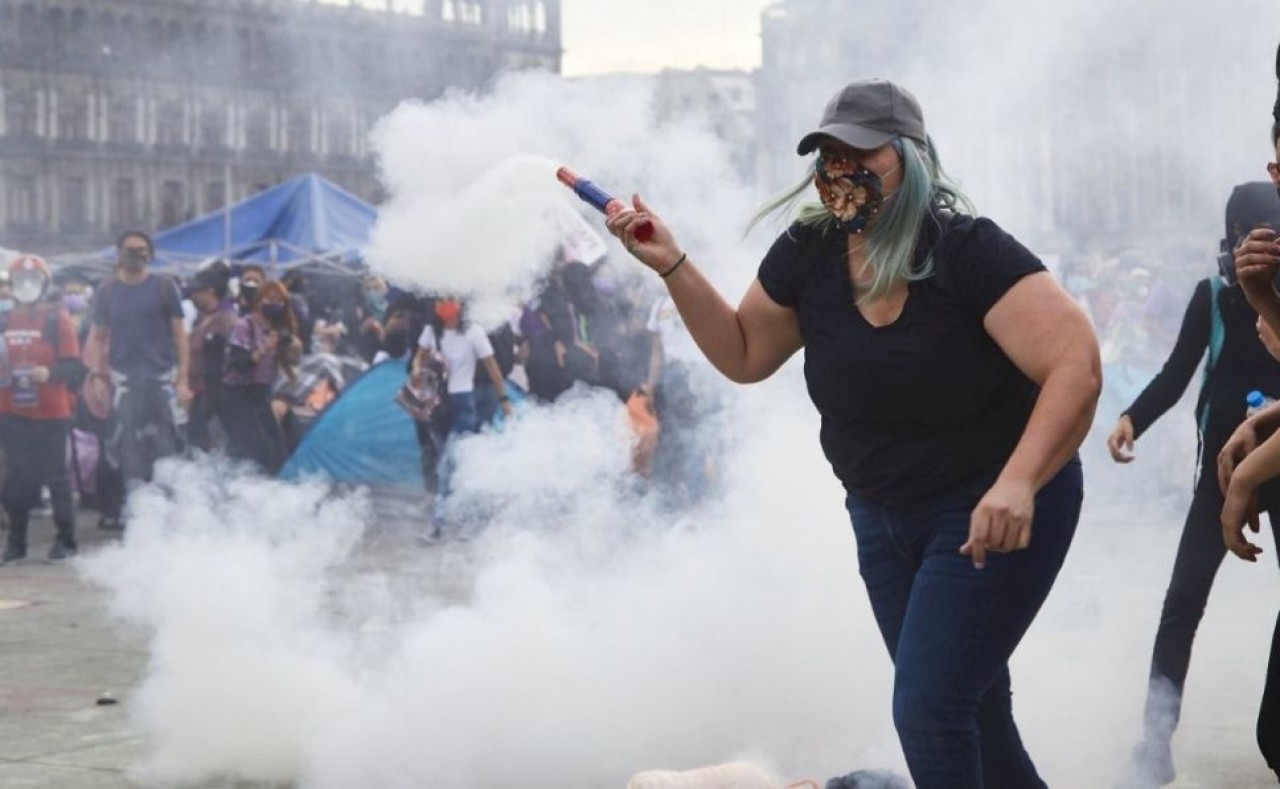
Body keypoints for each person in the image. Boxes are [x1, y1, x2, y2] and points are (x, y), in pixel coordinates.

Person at [606, 78, 1100, 788]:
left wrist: (1019, 482)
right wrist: (674, 266)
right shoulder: (810, 249)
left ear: (911, 158)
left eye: (861, 154)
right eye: (829, 154)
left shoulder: (965, 249)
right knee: (972, 713)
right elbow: (744, 353)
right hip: (882, 516)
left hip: (992, 507)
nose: (841, 171)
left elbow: (1076, 363)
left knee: (929, 710)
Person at [1106, 182, 1280, 788]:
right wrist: (1132, 418)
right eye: (1252, 239)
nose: (1262, 252)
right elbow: (1177, 372)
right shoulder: (1212, 295)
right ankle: (1155, 741)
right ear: (1232, 241)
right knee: (1182, 602)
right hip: (1220, 474)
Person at [82, 231, 190, 531]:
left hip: (161, 383)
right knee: (127, 454)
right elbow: (97, 337)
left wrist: (182, 380)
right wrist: (98, 375)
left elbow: (180, 337)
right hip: (125, 384)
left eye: (142, 249)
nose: (136, 255)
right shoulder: (107, 291)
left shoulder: (164, 287)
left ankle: (169, 518)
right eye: (130, 249)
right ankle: (136, 519)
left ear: (150, 253)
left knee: (166, 452)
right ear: (119, 253)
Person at [0, 255, 83, 564]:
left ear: (44, 285)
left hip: (50, 411)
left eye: (32, 281)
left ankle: (66, 540)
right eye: (20, 281)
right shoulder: (4, 319)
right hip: (12, 410)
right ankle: (16, 543)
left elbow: (74, 367)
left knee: (56, 476)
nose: (26, 286)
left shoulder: (56, 319)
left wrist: (49, 373)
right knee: (16, 477)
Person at [220, 280, 300, 474]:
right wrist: (264, 349)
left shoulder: (277, 328)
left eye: (279, 301)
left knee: (276, 452)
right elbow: (240, 365)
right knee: (252, 452)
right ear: (258, 301)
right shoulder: (244, 326)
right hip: (239, 394)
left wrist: (291, 348)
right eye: (270, 299)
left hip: (262, 393)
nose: (275, 305)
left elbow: (291, 363)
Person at [186, 263, 237, 453]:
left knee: (211, 446)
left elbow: (227, 362)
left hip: (215, 396)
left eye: (196, 292)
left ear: (210, 291)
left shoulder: (225, 321)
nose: (193, 297)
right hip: (197, 393)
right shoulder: (200, 319)